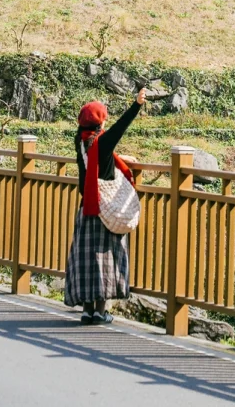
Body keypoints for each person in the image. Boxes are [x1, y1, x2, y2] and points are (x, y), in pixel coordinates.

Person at [64, 87, 146, 324]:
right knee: (106, 259)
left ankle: (87, 311)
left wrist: (120, 157)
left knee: (87, 259)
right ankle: (101, 311)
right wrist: (136, 104)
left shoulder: (80, 142)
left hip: (86, 208)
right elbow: (120, 128)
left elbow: (101, 150)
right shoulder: (103, 143)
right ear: (101, 123)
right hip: (105, 209)